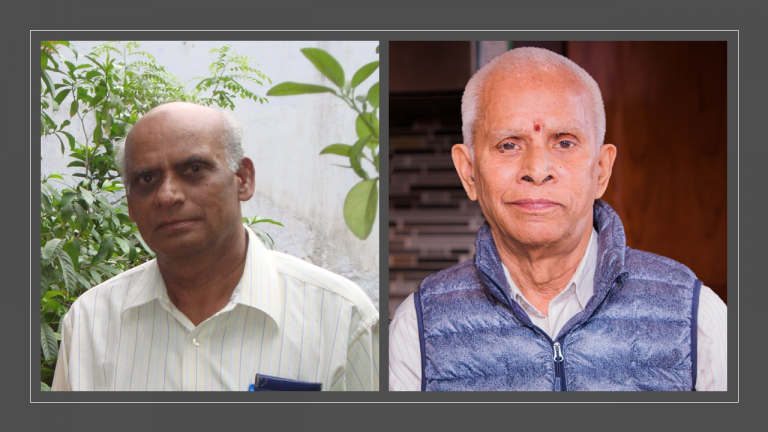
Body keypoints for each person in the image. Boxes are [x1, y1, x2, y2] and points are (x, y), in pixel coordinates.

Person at [389, 47, 726, 391]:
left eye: (564, 142)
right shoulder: (416, 330)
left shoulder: (697, 319)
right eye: (508, 145)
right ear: (469, 172)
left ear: (601, 169)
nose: (537, 170)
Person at [52, 102, 379, 391]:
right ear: (130, 205)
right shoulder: (90, 323)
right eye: (147, 180)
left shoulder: (340, 318)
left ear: (243, 179)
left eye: (193, 170)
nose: (168, 195)